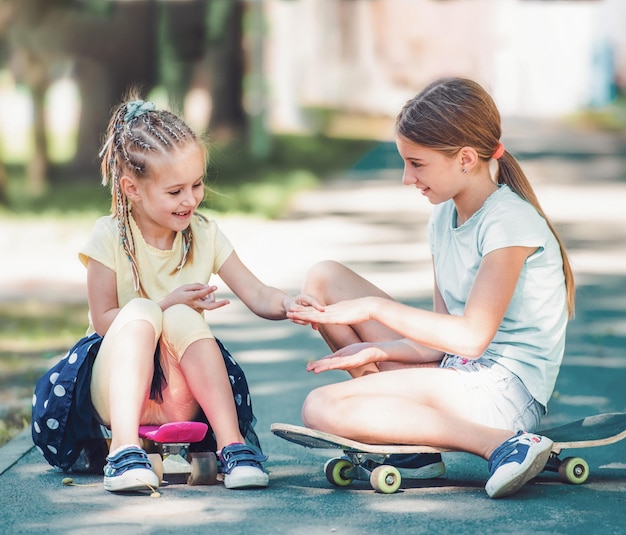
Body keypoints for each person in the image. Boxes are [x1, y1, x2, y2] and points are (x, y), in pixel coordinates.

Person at [287, 77, 575, 499]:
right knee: (325, 278)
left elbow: (472, 338)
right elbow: (439, 342)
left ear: (464, 158)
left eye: (417, 164)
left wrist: (373, 309)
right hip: (457, 372)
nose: (407, 178)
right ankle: (412, 450)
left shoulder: (508, 222)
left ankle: (502, 443)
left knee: (321, 406)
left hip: (504, 392)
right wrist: (380, 351)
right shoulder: (443, 217)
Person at [65, 94, 320, 493]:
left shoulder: (203, 234)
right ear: (132, 188)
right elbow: (103, 321)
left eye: (197, 184)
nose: (191, 199)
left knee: (183, 319)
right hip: (117, 392)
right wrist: (165, 304)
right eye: (175, 191)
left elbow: (255, 291)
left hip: (181, 393)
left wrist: (288, 303)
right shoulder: (109, 236)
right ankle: (124, 449)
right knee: (144, 315)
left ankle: (232, 446)